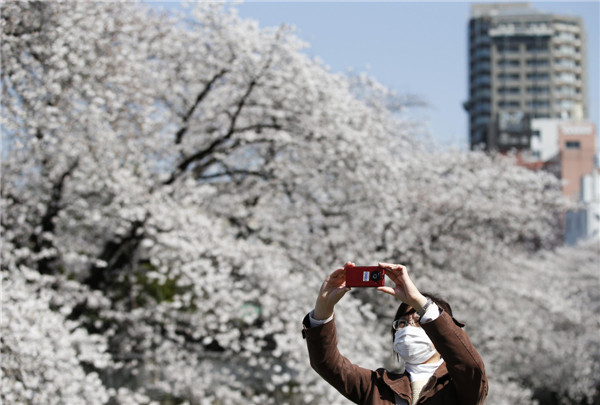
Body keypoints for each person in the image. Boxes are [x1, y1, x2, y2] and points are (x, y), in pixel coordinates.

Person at [302, 262, 488, 405]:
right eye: (402, 324)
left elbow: (468, 364)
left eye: (419, 321)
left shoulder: (460, 384)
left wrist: (420, 303)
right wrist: (323, 309)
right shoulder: (378, 387)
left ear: (439, 330)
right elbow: (326, 363)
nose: (408, 330)